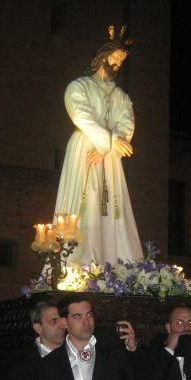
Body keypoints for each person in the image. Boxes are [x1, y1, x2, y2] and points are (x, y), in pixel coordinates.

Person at [53, 25, 143, 266]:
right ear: (103, 55)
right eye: (115, 58)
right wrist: (110, 142)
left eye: (121, 61)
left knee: (110, 207)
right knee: (87, 201)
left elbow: (127, 124)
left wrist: (107, 148)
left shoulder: (121, 96)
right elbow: (82, 116)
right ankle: (77, 263)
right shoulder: (78, 87)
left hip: (108, 158)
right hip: (84, 149)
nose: (117, 64)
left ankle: (116, 265)